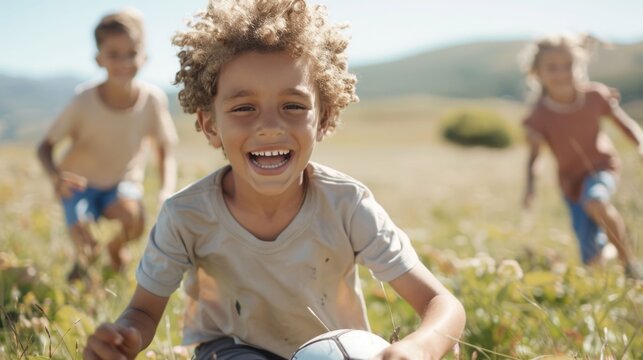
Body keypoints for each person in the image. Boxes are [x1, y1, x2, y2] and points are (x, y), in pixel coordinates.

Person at [82, 1, 466, 359]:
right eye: (244, 107)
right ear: (209, 125)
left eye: (293, 106)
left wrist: (420, 347)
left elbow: (442, 306)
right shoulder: (186, 215)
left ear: (325, 117)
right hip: (231, 348)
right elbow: (143, 313)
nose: (269, 126)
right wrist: (126, 336)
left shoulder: (348, 205)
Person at [36, 8, 178, 281]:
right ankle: (84, 264)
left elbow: (165, 148)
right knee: (86, 248)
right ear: (99, 59)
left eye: (131, 53)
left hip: (120, 185)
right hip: (79, 186)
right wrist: (56, 177)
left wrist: (166, 191)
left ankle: (115, 249)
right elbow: (44, 147)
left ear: (144, 56)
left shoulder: (152, 100)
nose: (124, 61)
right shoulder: (84, 100)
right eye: (114, 54)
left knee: (134, 220)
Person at [521, 34, 643, 277]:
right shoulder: (539, 114)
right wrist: (530, 187)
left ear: (580, 66)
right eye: (552, 68)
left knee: (596, 200)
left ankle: (629, 264)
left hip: (601, 167)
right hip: (570, 184)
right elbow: (534, 157)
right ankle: (608, 248)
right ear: (537, 73)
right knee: (592, 263)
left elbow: (626, 124)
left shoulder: (594, 96)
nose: (562, 73)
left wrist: (640, 143)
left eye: (568, 66)